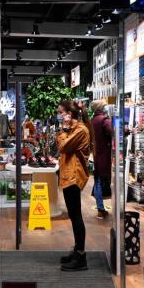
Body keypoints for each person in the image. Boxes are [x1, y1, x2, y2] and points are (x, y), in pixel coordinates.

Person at [57, 100, 93, 271]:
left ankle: (80, 255)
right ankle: (77, 250)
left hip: (74, 176)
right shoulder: (73, 129)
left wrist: (64, 130)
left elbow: (63, 146)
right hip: (68, 174)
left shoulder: (80, 130)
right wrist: (64, 130)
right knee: (73, 214)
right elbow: (61, 145)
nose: (59, 116)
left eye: (61, 112)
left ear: (68, 114)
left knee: (76, 215)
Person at [90, 100, 113, 219]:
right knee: (107, 181)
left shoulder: (92, 121)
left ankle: (100, 208)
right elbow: (113, 132)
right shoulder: (104, 120)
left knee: (98, 181)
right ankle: (105, 207)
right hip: (105, 155)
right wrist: (127, 130)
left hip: (96, 155)